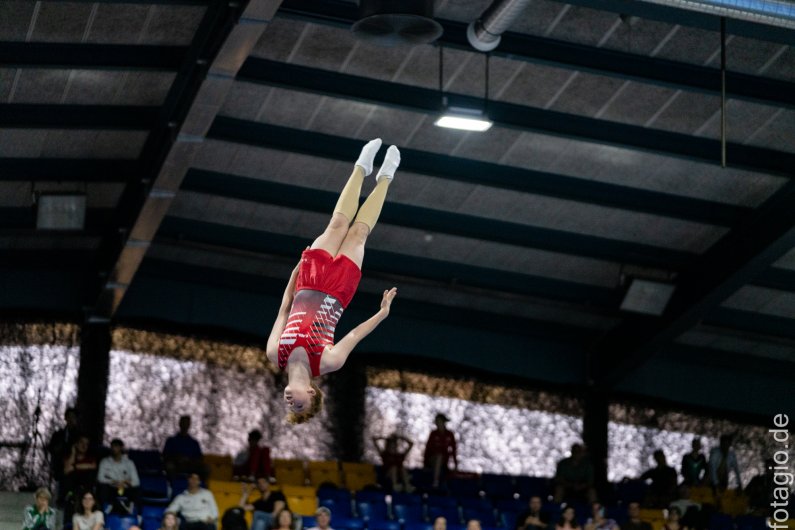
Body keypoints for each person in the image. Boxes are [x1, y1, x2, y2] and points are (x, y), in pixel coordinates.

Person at [265, 139, 401, 424]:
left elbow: (284, 308)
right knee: (358, 233)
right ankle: (386, 177)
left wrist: (296, 272)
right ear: (313, 395)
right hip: (338, 290)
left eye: (288, 406)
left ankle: (360, 168)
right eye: (299, 407)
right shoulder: (328, 362)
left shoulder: (275, 353)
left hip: (309, 280)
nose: (290, 404)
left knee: (336, 225)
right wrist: (383, 313)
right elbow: (353, 335)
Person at [98, 438, 140, 514]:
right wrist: (114, 482)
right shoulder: (105, 461)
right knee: (102, 488)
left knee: (137, 490)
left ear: (121, 448)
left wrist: (125, 483)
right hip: (111, 488)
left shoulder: (129, 463)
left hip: (125, 488)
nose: (114, 449)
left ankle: (134, 512)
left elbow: (136, 481)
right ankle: (105, 510)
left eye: (116, 446)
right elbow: (100, 478)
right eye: (112, 446)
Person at [62, 434, 98, 513]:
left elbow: (92, 466)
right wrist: (73, 452)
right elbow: (66, 470)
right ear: (76, 444)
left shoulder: (90, 458)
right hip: (72, 488)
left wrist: (74, 467)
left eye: (86, 444)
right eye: (82, 443)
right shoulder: (69, 457)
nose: (84, 446)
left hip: (86, 488)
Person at [424, 413, 457, 489]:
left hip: (444, 461)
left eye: (439, 421)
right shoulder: (433, 433)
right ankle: (435, 481)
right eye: (437, 421)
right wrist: (425, 463)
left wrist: (455, 464)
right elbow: (428, 448)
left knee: (440, 457)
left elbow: (453, 449)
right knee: (439, 457)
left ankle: (439, 480)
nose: (438, 423)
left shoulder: (450, 434)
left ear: (444, 422)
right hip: (432, 459)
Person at [47, 407, 80, 486]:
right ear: (65, 418)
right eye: (69, 417)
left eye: (73, 417)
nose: (71, 419)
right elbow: (51, 449)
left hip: (75, 468)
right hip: (60, 468)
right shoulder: (58, 434)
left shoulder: (79, 436)